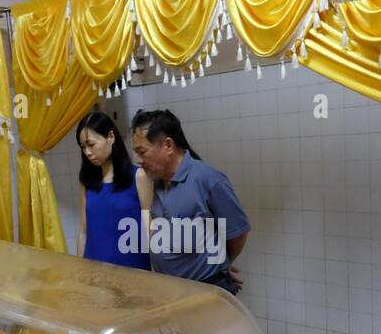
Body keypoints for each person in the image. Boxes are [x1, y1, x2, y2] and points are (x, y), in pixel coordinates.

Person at [129, 109, 250, 293]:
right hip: (170, 289)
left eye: (142, 152)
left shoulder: (208, 179)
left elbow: (237, 233)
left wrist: (220, 266)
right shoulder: (157, 182)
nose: (138, 160)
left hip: (205, 290)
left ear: (168, 145)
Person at [75, 112, 152, 270]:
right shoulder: (87, 182)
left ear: (110, 137)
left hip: (133, 268)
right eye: (83, 147)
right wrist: (80, 269)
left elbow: (150, 228)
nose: (87, 152)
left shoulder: (138, 177)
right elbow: (83, 231)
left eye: (91, 144)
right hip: (95, 270)